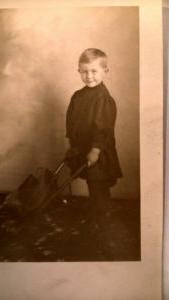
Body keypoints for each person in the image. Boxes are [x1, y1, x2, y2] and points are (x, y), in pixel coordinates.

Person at [65, 48, 123, 231]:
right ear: (79, 71)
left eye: (94, 71)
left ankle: (103, 221)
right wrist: (71, 143)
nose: (89, 76)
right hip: (81, 147)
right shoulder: (78, 96)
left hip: (98, 151)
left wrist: (95, 150)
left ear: (105, 71)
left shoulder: (103, 99)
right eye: (85, 71)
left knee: (99, 185)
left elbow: (103, 128)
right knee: (92, 184)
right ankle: (96, 216)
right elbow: (71, 121)